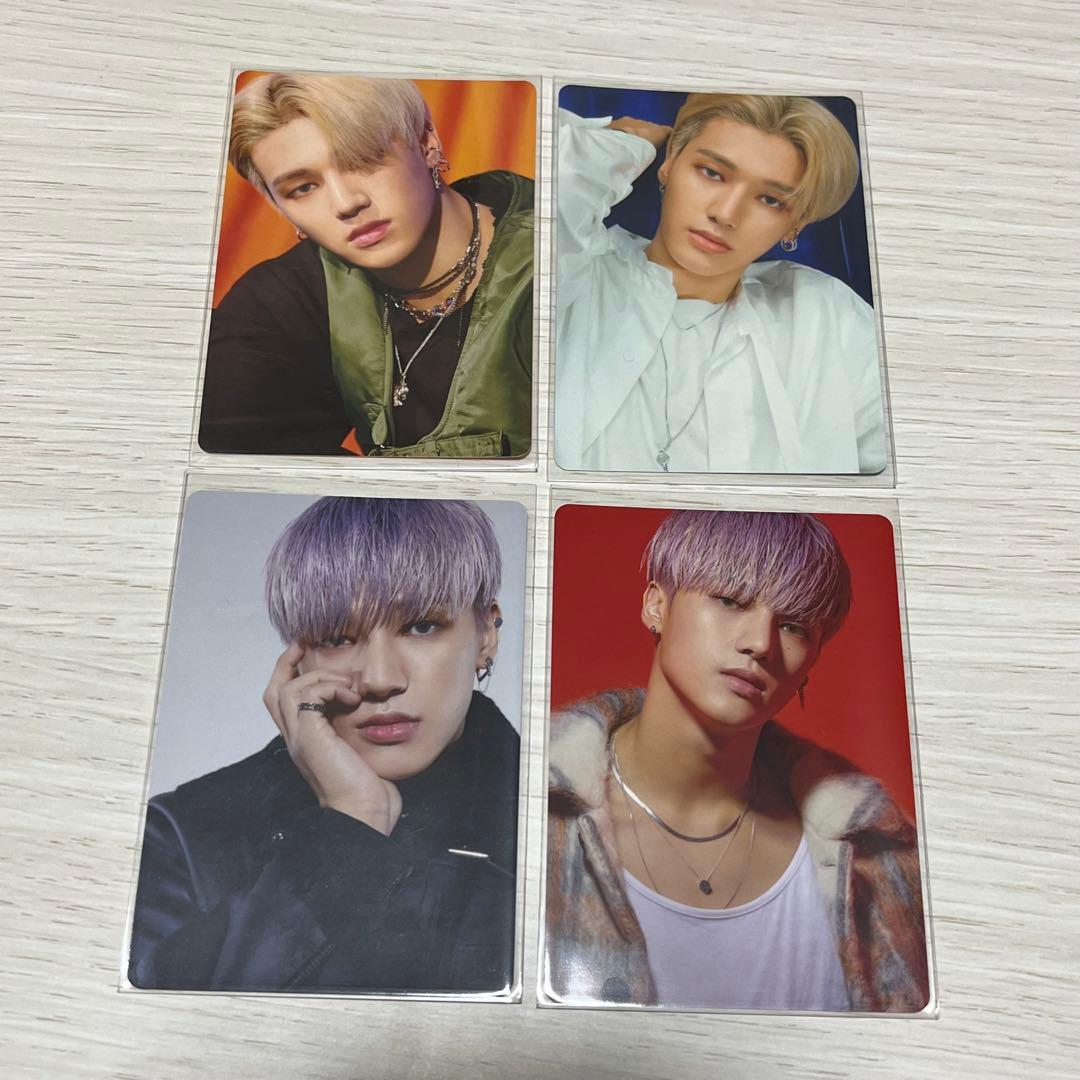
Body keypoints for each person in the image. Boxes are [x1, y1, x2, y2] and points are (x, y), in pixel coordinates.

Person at [129, 497, 519, 993]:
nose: (379, 679)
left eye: (421, 626)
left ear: (486, 635)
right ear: (297, 658)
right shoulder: (186, 835)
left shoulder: (570, 817)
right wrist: (351, 824)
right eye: (337, 638)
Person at [543, 510, 928, 1011]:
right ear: (656, 605)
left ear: (811, 663)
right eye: (730, 600)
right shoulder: (528, 802)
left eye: (793, 627)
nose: (761, 644)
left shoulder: (876, 850)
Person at [199, 74, 533, 458]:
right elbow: (225, 443)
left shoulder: (559, 259)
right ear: (281, 208)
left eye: (361, 160)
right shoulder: (286, 297)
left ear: (427, 143)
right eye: (303, 188)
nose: (346, 203)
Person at [554, 95, 887, 474]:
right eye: (711, 173)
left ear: (796, 224)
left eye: (769, 199)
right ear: (671, 162)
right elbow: (548, 198)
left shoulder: (826, 316)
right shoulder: (574, 270)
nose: (726, 214)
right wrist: (625, 144)